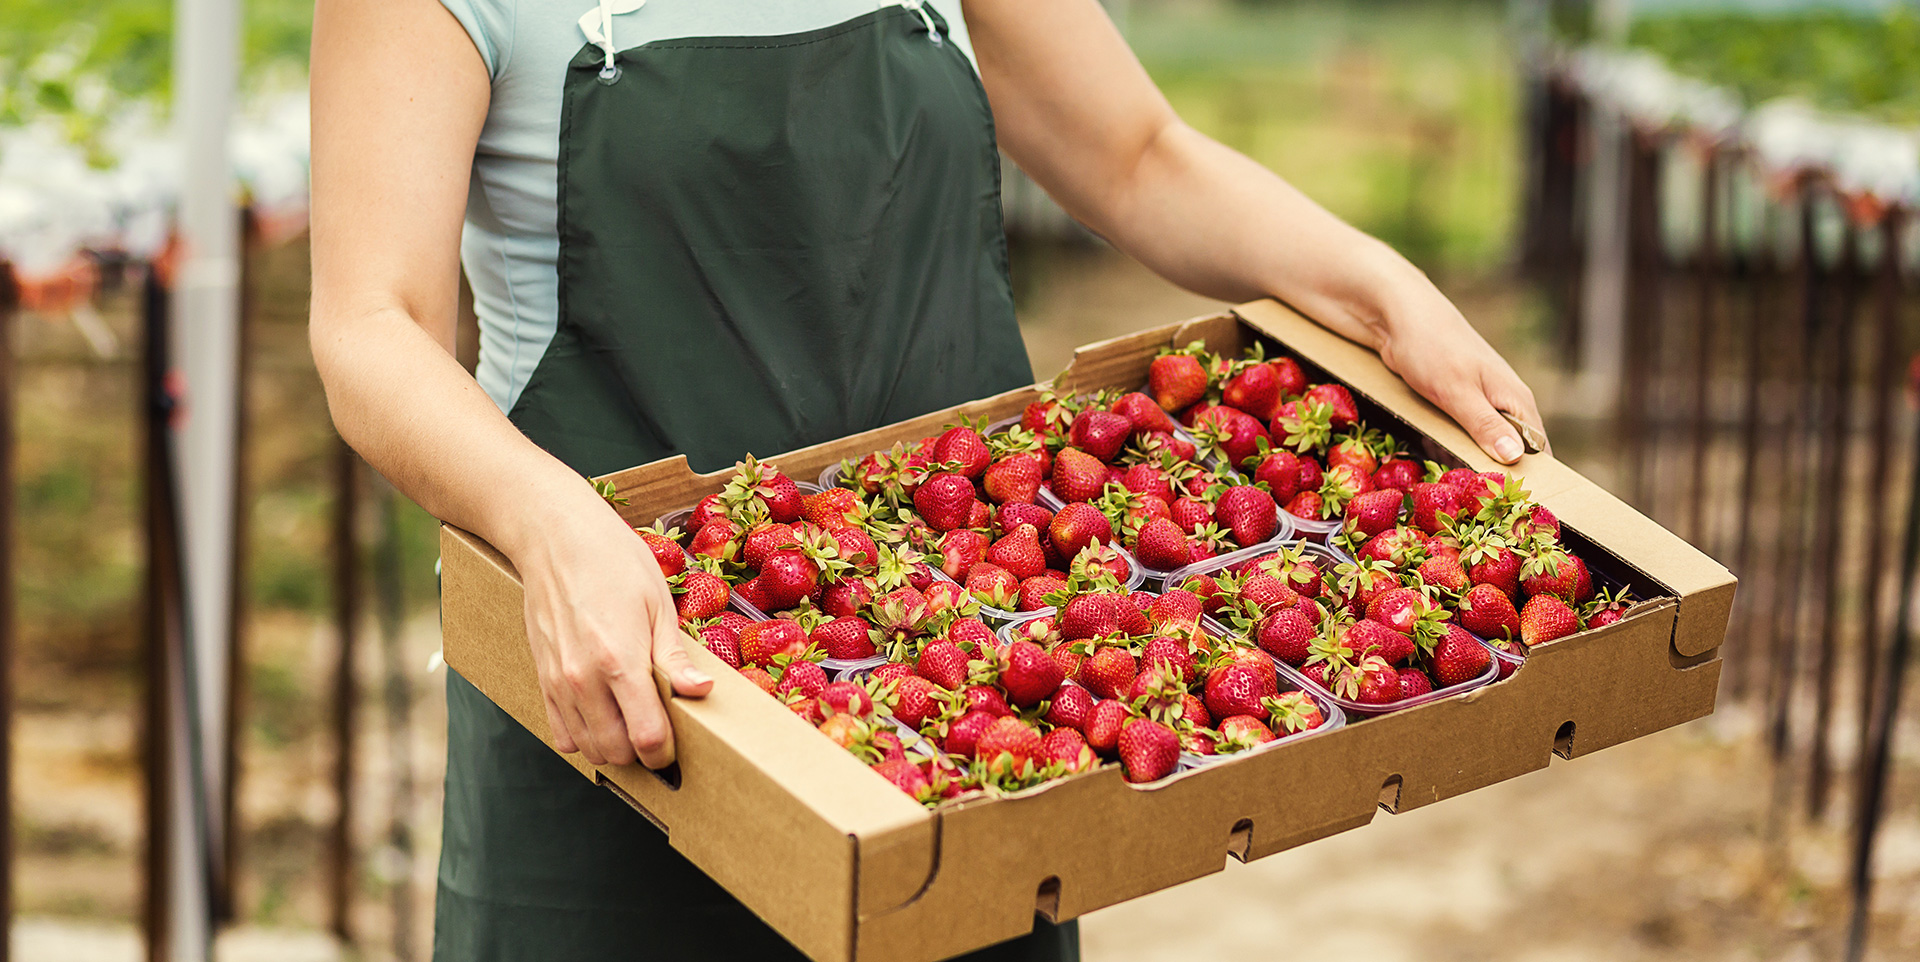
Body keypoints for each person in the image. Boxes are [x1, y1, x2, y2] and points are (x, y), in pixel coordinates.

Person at [308, 1, 1546, 958]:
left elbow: (1138, 155)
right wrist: (545, 517)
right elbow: (370, 323)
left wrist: (1382, 291)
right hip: (628, 672)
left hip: (956, 685)